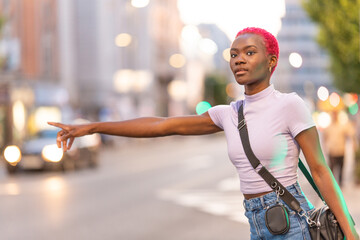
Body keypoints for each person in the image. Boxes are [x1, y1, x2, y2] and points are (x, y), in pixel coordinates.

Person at [48, 27, 358, 240]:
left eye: (249, 53)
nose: (239, 59)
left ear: (271, 61)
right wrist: (91, 126)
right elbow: (162, 125)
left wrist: (349, 232)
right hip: (257, 223)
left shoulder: (290, 105)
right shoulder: (229, 113)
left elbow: (319, 170)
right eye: (234, 54)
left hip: (292, 223)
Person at [323, 111, 356, 187]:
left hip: (341, 150)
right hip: (332, 151)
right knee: (332, 169)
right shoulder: (329, 127)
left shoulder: (342, 126)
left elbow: (349, 134)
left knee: (341, 168)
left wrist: (353, 144)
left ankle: (340, 184)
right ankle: (332, 184)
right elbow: (325, 137)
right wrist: (325, 148)